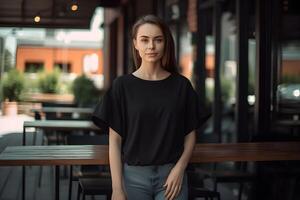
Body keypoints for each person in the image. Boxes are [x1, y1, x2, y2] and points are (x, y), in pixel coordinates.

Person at [92, 14, 203, 200]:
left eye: (158, 40)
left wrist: (180, 168)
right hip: (132, 178)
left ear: (165, 43)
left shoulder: (181, 86)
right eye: (144, 40)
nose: (151, 46)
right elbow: (115, 142)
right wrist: (117, 188)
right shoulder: (122, 86)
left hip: (172, 176)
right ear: (135, 44)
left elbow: (190, 136)